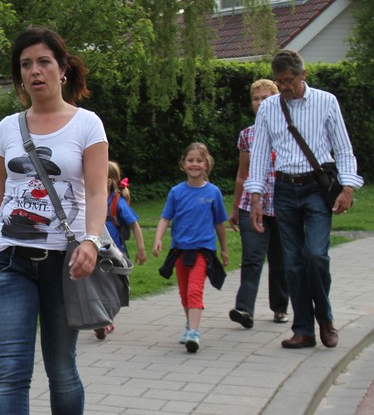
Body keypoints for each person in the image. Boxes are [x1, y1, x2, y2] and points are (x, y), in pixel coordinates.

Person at [0, 26, 108, 415]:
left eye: (44, 61)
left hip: (64, 263)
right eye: (26, 64)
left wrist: (92, 240)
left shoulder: (87, 125)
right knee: (12, 373)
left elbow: (97, 192)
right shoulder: (7, 129)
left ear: (62, 68)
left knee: (61, 368)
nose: (35, 71)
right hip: (11, 260)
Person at [246, 49, 362, 349]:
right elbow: (259, 155)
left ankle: (325, 319)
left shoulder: (326, 101)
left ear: (303, 75)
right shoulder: (269, 108)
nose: (284, 86)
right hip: (284, 190)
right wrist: (256, 197)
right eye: (279, 81)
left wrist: (348, 187)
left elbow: (343, 149)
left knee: (315, 255)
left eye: (289, 80)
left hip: (316, 189)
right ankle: (303, 330)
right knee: (292, 263)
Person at [153, 142, 229, 354]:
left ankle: (194, 333)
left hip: (202, 251)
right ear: (183, 164)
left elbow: (219, 224)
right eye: (190, 160)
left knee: (195, 290)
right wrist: (158, 239)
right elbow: (165, 218)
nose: (194, 164)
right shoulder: (176, 192)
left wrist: (223, 249)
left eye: (199, 160)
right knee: (184, 292)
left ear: (207, 164)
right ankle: (189, 325)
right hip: (180, 250)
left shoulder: (213, 192)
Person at [228, 79, 289, 329]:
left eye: (265, 98)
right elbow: (242, 175)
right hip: (251, 205)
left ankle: (280, 307)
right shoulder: (247, 135)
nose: (260, 102)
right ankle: (244, 309)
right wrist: (235, 207)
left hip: (283, 206)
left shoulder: (288, 131)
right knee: (252, 258)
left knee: (280, 260)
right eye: (256, 98)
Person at [97, 160, 147, 340]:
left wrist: (141, 249)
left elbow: (134, 225)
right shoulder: (89, 198)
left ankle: (107, 320)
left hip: (115, 254)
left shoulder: (117, 202)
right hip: (95, 251)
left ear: (110, 181)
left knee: (114, 289)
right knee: (99, 286)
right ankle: (102, 320)